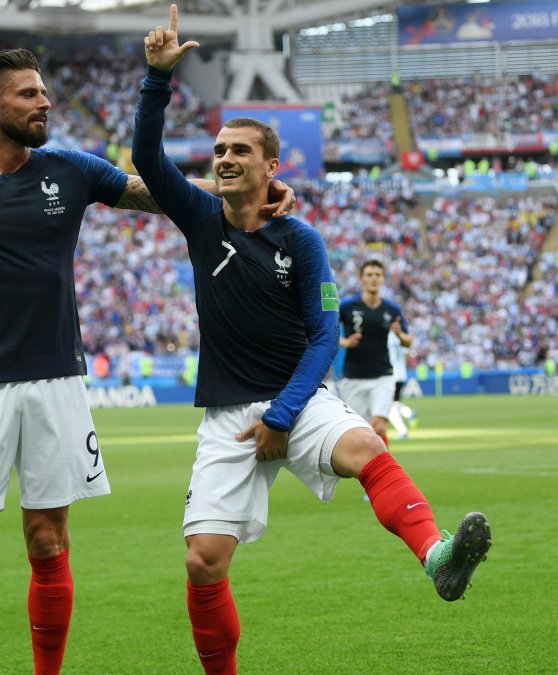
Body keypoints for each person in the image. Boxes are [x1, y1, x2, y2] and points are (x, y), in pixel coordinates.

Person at [0, 47, 295, 675]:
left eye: (44, 91)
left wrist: (246, 192)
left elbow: (157, 193)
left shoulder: (71, 170)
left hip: (57, 380)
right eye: (28, 94)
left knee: (48, 542)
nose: (44, 101)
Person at [133, 7, 491, 674]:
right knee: (202, 559)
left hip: (294, 399)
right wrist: (157, 80)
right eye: (219, 151)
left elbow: (326, 333)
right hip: (226, 415)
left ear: (271, 165)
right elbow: (150, 160)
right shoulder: (200, 218)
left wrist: (282, 414)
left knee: (365, 444)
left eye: (241, 150)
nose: (226, 158)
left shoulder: (301, 241)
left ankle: (437, 555)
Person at [339, 260, 411, 449]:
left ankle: (384, 468)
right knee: (360, 433)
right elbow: (324, 330)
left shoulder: (392, 309)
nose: (374, 279)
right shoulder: (347, 306)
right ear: (361, 278)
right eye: (369, 274)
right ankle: (368, 469)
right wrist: (345, 342)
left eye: (378, 275)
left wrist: (400, 334)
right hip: (354, 378)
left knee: (379, 426)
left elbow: (408, 340)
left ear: (383, 278)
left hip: (383, 376)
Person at [386, 330, 416, 440]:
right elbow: (409, 355)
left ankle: (402, 431)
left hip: (390, 375)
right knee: (393, 403)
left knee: (388, 406)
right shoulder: (400, 336)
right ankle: (408, 412)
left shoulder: (385, 336)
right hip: (401, 374)